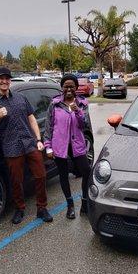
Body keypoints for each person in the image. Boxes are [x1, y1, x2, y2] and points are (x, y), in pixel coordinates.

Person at [0, 66, 53, 225]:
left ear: (10, 80)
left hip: (30, 143)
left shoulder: (21, 98)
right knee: (16, 181)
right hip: (11, 147)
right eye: (1, 78)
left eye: (7, 78)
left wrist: (38, 139)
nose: (4, 81)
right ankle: (19, 209)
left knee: (41, 175)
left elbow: (32, 118)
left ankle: (42, 208)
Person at [44, 74, 91, 219]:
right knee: (63, 175)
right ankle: (70, 205)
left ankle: (84, 202)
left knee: (87, 172)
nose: (69, 89)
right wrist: (48, 146)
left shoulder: (83, 103)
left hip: (77, 145)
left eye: (72, 86)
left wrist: (77, 110)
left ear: (76, 88)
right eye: (66, 86)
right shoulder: (54, 104)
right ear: (62, 88)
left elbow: (85, 125)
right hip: (60, 146)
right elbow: (48, 127)